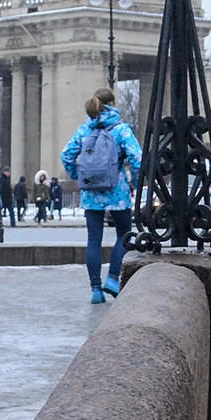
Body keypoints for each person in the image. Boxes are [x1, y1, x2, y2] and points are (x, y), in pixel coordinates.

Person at [62, 87, 142, 305]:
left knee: (93, 240)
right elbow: (137, 158)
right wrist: (134, 180)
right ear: (113, 104)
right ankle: (113, 279)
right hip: (118, 191)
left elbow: (66, 154)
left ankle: (96, 290)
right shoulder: (121, 129)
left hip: (91, 193)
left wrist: (79, 175)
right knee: (124, 235)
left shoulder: (84, 130)